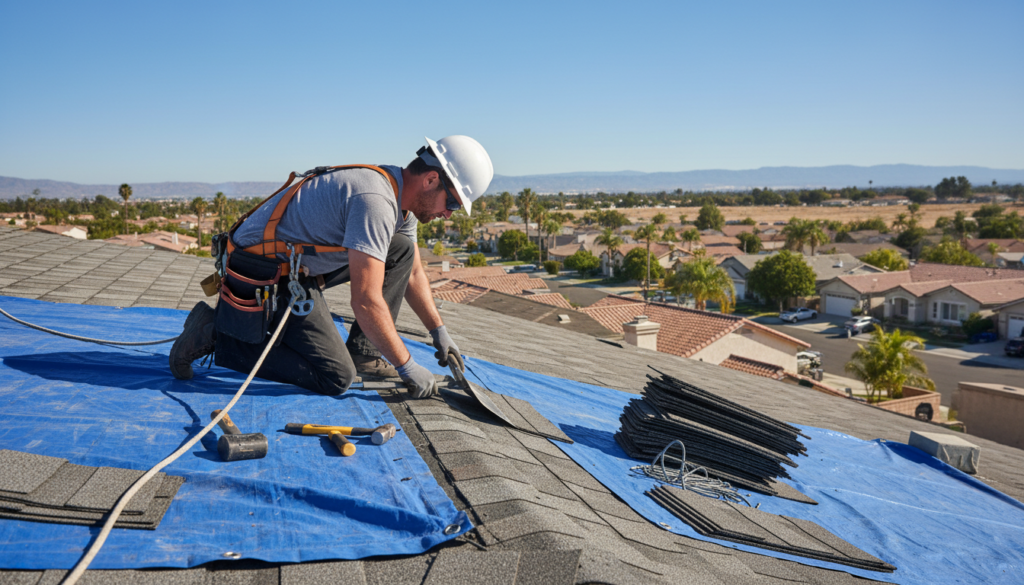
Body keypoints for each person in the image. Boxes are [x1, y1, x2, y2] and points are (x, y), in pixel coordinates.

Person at [168, 135, 493, 399]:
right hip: (262, 269)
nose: (449, 214)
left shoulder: (401, 206)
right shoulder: (376, 200)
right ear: (431, 179)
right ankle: (214, 333)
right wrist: (406, 365)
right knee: (336, 376)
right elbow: (365, 301)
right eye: (451, 203)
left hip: (296, 265)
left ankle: (365, 351)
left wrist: (439, 332)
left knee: (402, 250)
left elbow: (415, 273)